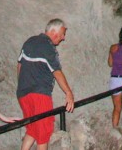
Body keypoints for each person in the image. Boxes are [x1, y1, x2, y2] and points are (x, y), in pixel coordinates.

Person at [17, 18, 75, 150]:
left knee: (32, 129)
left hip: (23, 94)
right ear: (55, 32)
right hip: (39, 95)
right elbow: (57, 72)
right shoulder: (48, 47)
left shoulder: (29, 41)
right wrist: (68, 93)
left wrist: (21, 86)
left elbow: (19, 66)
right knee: (43, 133)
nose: (63, 38)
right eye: (62, 34)